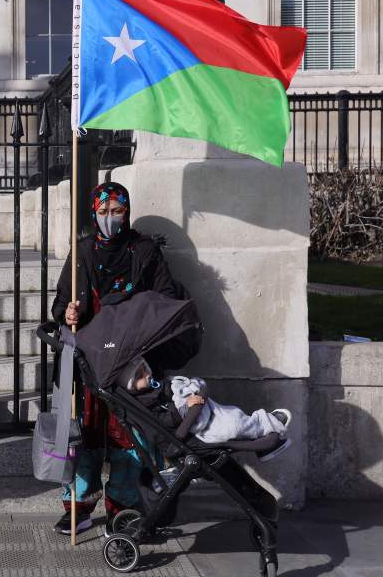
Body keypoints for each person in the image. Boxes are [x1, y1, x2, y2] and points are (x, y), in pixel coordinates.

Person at [50, 181, 181, 536]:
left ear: (128, 212)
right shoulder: (82, 253)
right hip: (90, 361)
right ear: (94, 213)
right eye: (104, 212)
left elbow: (167, 298)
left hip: (131, 362)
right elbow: (59, 305)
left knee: (129, 434)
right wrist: (70, 315)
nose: (111, 218)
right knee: (87, 434)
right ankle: (78, 506)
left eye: (118, 211)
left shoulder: (144, 251)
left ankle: (122, 508)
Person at [123, 358, 292, 461]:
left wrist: (186, 388)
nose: (146, 375)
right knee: (232, 426)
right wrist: (184, 408)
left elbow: (175, 387)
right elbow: (164, 420)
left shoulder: (158, 384)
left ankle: (262, 434)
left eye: (144, 368)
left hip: (207, 411)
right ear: (131, 388)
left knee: (233, 414)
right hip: (195, 425)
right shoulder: (145, 404)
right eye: (139, 376)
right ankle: (268, 423)